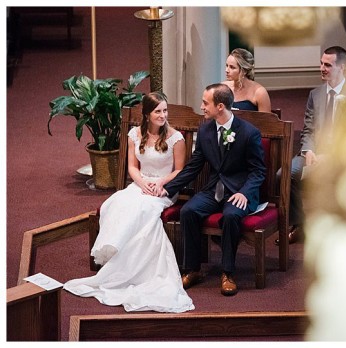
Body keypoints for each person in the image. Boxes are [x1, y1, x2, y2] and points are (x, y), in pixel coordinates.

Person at [64, 93, 194, 313]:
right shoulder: (135, 134)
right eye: (158, 111)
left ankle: (137, 269)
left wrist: (161, 181)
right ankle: (117, 261)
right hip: (140, 184)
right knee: (114, 204)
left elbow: (180, 170)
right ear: (147, 114)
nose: (163, 115)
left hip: (164, 189)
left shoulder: (176, 138)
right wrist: (142, 183)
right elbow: (133, 167)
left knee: (143, 210)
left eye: (165, 110)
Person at [163, 84, 266, 297]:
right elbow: (194, 165)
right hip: (214, 190)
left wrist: (245, 193)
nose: (201, 106)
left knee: (230, 215)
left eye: (205, 102)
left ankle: (227, 273)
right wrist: (168, 189)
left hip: (239, 191)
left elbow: (258, 171)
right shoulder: (205, 130)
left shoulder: (248, 133)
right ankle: (192, 269)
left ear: (220, 106)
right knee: (188, 211)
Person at [284, 46, 346, 245]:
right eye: (321, 63)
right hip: (314, 153)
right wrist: (308, 151)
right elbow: (307, 129)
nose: (322, 68)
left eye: (327, 65)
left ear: (341, 67)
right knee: (285, 174)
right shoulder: (315, 94)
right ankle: (299, 224)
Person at [221, 48, 271, 112]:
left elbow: (266, 121)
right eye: (226, 65)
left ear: (244, 71)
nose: (226, 70)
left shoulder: (259, 92)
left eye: (232, 67)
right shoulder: (223, 88)